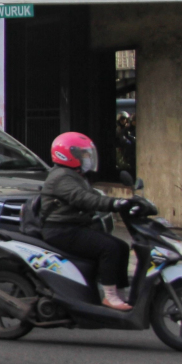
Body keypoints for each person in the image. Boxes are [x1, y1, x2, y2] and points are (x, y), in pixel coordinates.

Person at [39, 132, 150, 311]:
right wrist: (115, 203)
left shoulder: (75, 176)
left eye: (88, 155)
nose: (88, 158)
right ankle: (109, 297)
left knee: (121, 246)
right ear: (68, 155)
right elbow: (84, 199)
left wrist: (123, 201)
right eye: (83, 155)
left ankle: (118, 293)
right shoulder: (61, 177)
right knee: (109, 248)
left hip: (74, 227)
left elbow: (94, 196)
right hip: (61, 230)